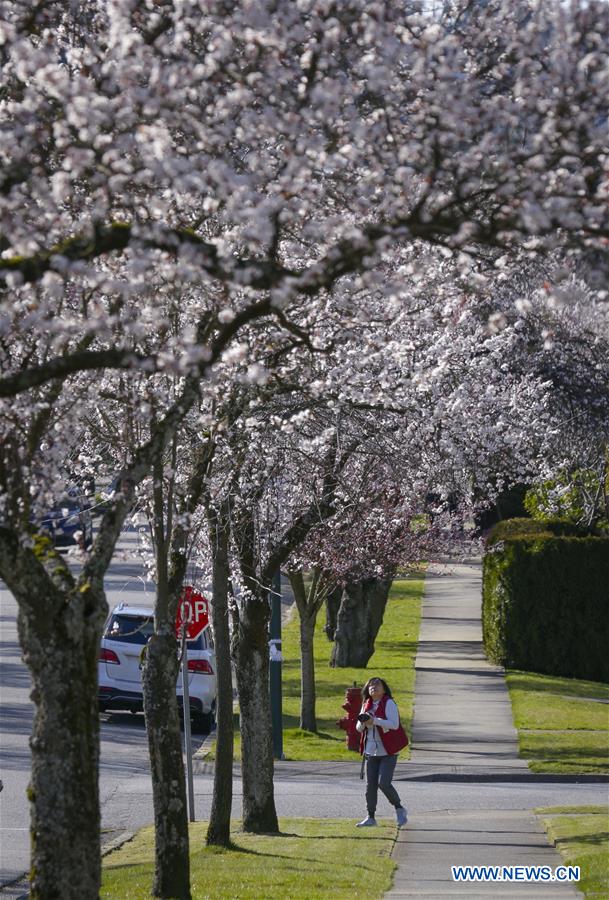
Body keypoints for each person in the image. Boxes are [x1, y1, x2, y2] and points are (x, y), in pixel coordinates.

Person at [355, 676, 408, 828]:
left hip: (388, 751)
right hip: (371, 752)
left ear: (384, 689)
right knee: (370, 785)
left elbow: (394, 725)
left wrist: (375, 720)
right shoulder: (366, 704)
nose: (373, 687)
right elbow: (358, 728)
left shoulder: (389, 703)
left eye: (377, 685)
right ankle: (370, 817)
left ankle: (399, 809)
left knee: (383, 783)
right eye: (371, 685)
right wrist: (364, 722)